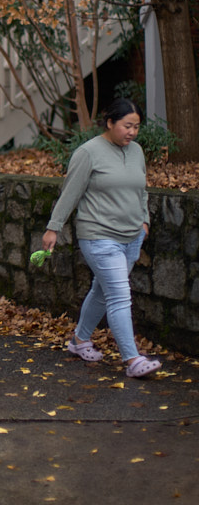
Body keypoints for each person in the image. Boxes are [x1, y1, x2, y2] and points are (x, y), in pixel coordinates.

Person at [41, 98, 161, 379]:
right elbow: (70, 192)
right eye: (126, 126)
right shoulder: (89, 153)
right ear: (110, 123)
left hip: (131, 237)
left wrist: (144, 220)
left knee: (101, 291)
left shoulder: (137, 152)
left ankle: (79, 341)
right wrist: (53, 227)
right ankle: (133, 360)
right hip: (98, 237)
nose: (132, 132)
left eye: (136, 127)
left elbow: (141, 190)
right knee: (119, 296)